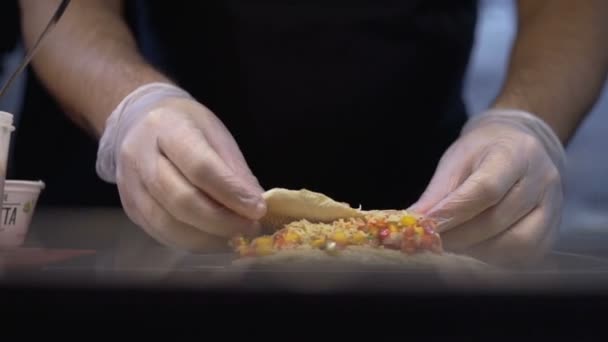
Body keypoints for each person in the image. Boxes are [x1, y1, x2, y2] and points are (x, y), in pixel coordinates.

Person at [17, 0, 608, 266]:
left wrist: (528, 121)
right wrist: (133, 108)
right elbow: (65, 10)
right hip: (134, 225)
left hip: (430, 207)